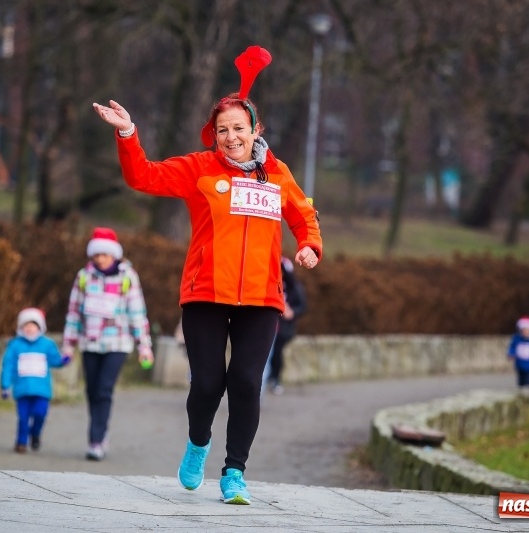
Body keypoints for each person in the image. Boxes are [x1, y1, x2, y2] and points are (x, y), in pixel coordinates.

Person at [92, 45, 322, 505]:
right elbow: (144, 177)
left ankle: (234, 472)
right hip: (206, 294)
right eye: (223, 130)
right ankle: (198, 443)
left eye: (239, 128)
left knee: (244, 382)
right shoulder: (200, 170)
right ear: (213, 134)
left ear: (255, 129)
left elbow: (302, 216)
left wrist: (310, 246)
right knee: (208, 384)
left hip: (261, 298)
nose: (232, 136)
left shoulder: (277, 175)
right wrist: (128, 134)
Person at [63, 227, 155, 461]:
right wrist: (68, 344)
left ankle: (96, 440)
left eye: (105, 255)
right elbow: (74, 313)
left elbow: (137, 312)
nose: (101, 259)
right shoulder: (84, 277)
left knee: (104, 390)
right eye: (97, 255)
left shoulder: (127, 277)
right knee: (92, 391)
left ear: (114, 255)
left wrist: (144, 345)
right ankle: (100, 430)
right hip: (90, 343)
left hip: (118, 344)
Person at [0, 307, 70, 453]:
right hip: (22, 390)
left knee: (40, 413)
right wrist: (5, 385)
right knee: (23, 417)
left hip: (42, 390)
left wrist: (64, 359)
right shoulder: (15, 345)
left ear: (40, 327)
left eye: (33, 325)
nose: (29, 329)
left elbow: (55, 360)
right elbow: (8, 365)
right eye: (26, 325)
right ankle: (21, 442)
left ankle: (35, 434)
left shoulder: (47, 344)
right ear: (20, 327)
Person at [265, 256, 307, 395]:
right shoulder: (268, 283)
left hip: (283, 329)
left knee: (276, 353)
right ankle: (267, 380)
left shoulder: (295, 288)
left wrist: (292, 312)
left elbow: (303, 306)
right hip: (266, 326)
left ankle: (275, 379)